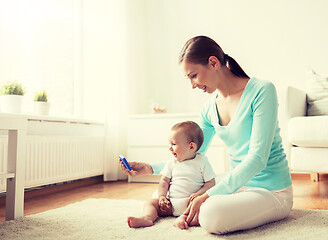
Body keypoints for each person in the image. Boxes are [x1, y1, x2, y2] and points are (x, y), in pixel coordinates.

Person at [121, 36, 293, 235]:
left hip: (271, 192)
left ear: (213, 63)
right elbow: (191, 151)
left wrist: (209, 195)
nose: (192, 85)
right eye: (189, 78)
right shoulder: (209, 108)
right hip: (237, 186)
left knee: (210, 214)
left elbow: (258, 159)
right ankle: (194, 209)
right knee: (167, 194)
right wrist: (150, 168)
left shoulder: (262, 91)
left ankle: (201, 211)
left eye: (193, 75)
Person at [121, 121, 216, 229]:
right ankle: (147, 217)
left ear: (191, 147)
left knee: (206, 210)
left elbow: (211, 183)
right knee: (151, 202)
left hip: (191, 204)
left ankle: (183, 219)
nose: (170, 148)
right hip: (170, 205)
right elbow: (164, 181)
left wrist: (199, 194)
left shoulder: (202, 162)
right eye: (169, 144)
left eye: (174, 144)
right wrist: (162, 197)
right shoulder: (172, 162)